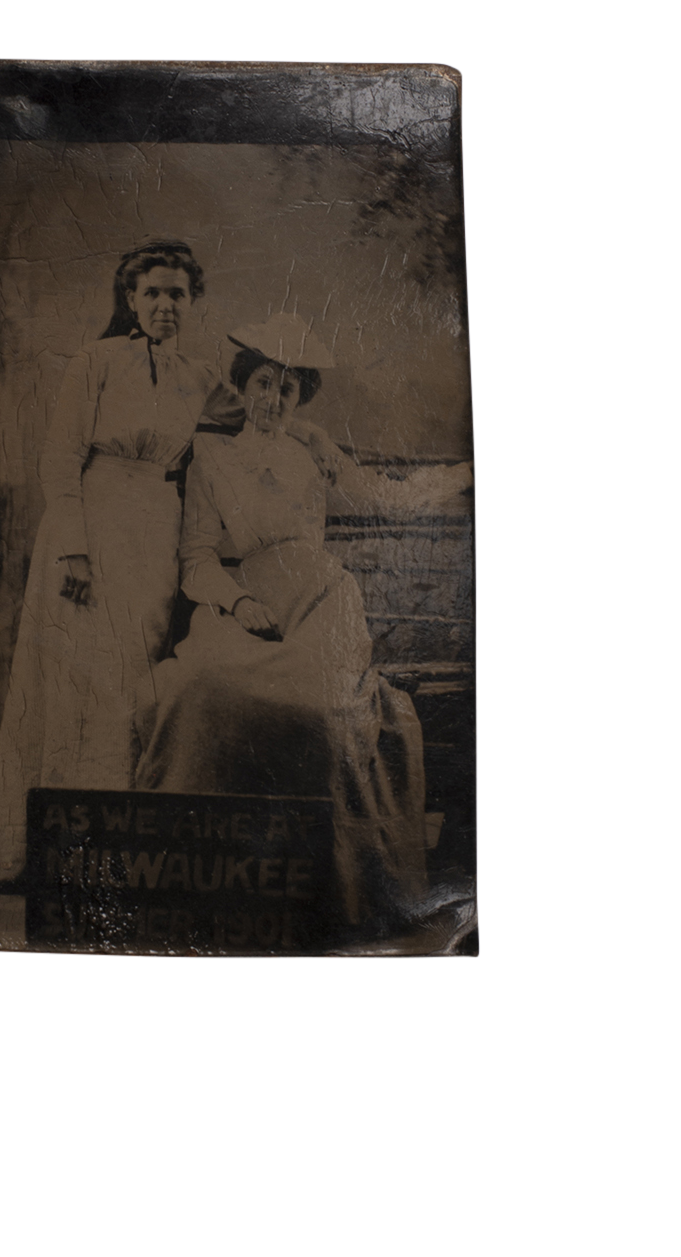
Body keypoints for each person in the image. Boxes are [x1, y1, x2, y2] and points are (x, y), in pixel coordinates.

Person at [133, 314, 430, 932]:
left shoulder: (313, 452)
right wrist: (237, 603)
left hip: (323, 602)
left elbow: (383, 497)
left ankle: (326, 884)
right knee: (200, 690)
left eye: (287, 389)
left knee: (326, 709)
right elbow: (196, 558)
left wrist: (469, 476)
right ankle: (209, 881)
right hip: (245, 600)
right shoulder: (211, 456)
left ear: (301, 399)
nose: (272, 400)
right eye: (263, 384)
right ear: (243, 388)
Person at [0, 241, 244, 886]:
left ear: (192, 302)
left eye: (177, 294)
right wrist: (74, 551)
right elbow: (61, 458)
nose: (164, 306)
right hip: (89, 531)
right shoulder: (95, 361)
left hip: (154, 537)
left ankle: (110, 853)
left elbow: (258, 416)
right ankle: (49, 855)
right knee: (72, 682)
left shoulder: (200, 378)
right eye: (152, 293)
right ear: (130, 300)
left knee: (128, 686)